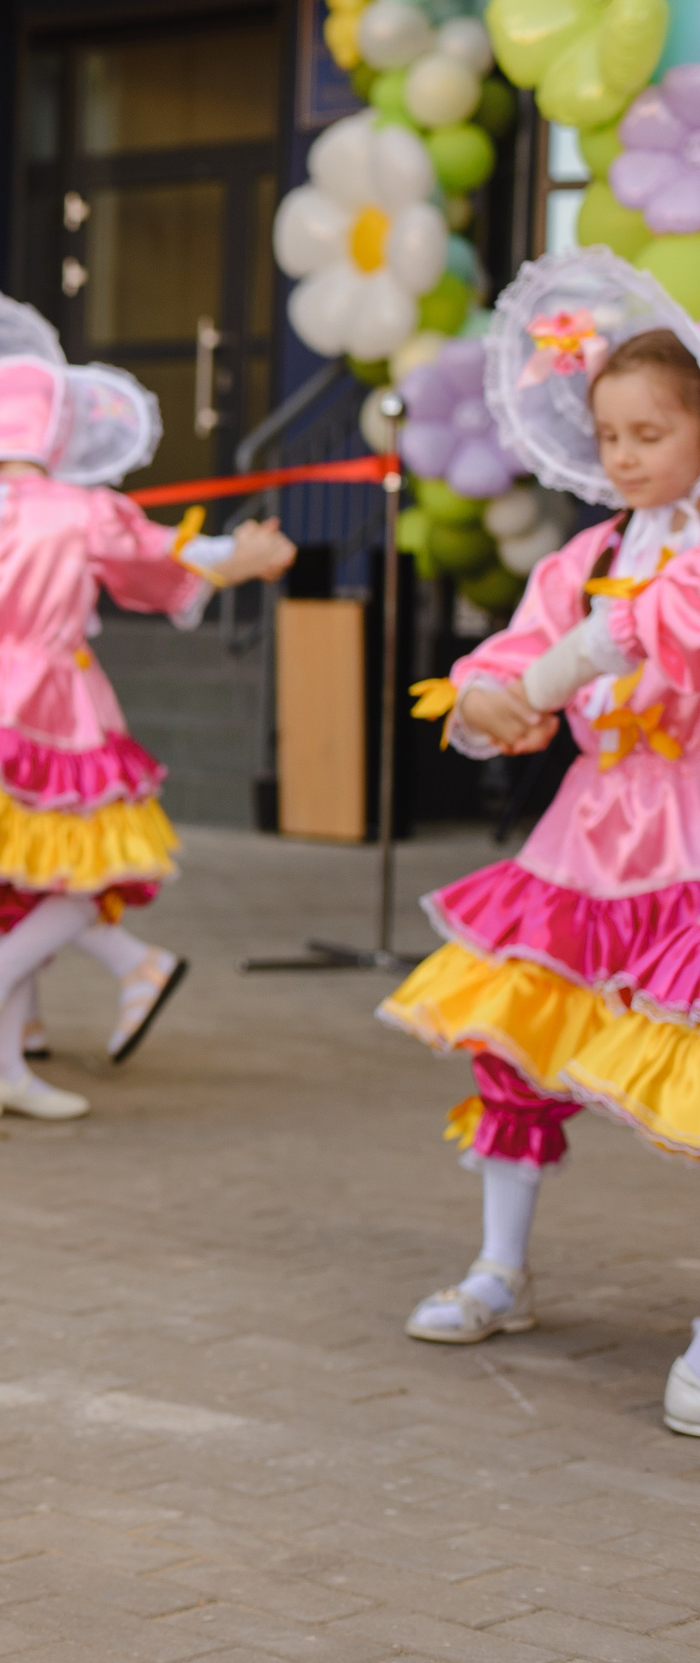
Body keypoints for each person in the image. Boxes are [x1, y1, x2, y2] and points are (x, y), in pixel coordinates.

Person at [0, 292, 291, 1120]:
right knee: (80, 858)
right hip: (58, 696)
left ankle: (0, 1060)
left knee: (8, 856)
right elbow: (157, 558)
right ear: (56, 430)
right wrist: (235, 560)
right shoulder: (82, 509)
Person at [385, 255, 700, 1426]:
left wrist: (569, 660)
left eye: (650, 431)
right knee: (513, 1045)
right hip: (585, 841)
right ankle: (499, 1268)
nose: (623, 455)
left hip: (689, 834)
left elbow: (649, 629)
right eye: (608, 433)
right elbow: (518, 653)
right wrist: (480, 700)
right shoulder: (586, 557)